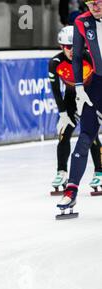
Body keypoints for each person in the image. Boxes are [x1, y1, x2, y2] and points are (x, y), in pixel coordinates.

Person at [58, 0, 102, 210]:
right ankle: (71, 191)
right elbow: (76, 56)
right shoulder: (81, 21)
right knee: (85, 137)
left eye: (99, 2)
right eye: (90, 3)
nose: (94, 7)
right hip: (96, 85)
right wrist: (79, 87)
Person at [49, 26, 102, 194]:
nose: (72, 50)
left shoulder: (89, 58)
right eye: (68, 47)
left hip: (90, 96)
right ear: (61, 47)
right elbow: (56, 90)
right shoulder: (55, 63)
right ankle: (62, 171)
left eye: (75, 46)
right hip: (71, 97)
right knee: (64, 132)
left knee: (90, 134)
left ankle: (99, 171)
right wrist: (63, 113)